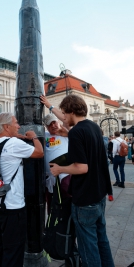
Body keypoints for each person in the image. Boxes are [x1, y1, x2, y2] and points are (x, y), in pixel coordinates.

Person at [50, 94, 114, 267]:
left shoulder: (77, 131)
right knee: (102, 241)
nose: (62, 117)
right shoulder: (93, 127)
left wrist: (60, 169)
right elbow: (86, 145)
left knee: (88, 247)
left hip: (85, 198)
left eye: (64, 113)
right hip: (99, 195)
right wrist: (50, 106)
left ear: (71, 111)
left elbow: (82, 167)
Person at [0, 112, 43, 267]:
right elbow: (39, 153)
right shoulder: (14, 144)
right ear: (7, 126)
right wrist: (33, 137)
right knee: (13, 251)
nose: (19, 126)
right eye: (16, 123)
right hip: (13, 207)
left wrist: (15, 137)